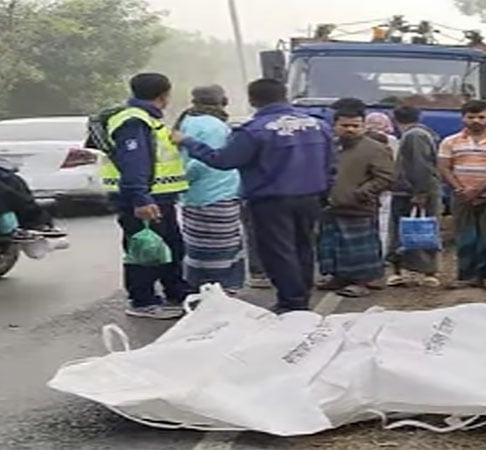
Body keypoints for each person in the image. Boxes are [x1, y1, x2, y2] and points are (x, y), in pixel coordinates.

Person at [176, 78, 333, 313]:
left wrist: (189, 142)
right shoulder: (317, 125)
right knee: (304, 248)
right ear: (285, 95)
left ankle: (291, 303)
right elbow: (331, 163)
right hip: (310, 197)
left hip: (271, 201)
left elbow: (223, 160)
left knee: (279, 252)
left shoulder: (254, 130)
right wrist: (325, 192)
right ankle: (302, 299)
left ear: (252, 100)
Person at [101, 73, 189, 319]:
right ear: (164, 95)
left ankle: (177, 292)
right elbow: (134, 163)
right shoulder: (134, 122)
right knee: (144, 249)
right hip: (143, 198)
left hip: (160, 198)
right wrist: (140, 198)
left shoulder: (147, 119)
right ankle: (142, 301)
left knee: (171, 246)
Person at [317, 100, 393, 297]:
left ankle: (362, 282)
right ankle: (339, 277)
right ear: (335, 126)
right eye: (345, 125)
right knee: (334, 245)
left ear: (363, 126)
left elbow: (386, 177)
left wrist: (363, 192)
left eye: (355, 126)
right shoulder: (329, 147)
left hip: (359, 207)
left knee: (359, 249)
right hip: (331, 206)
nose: (350, 129)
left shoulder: (375, 148)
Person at [439, 100, 486, 291]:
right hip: (461, 197)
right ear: (463, 118)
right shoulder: (450, 141)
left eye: (481, 117)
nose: (476, 121)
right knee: (466, 238)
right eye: (471, 117)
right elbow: (444, 168)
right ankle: (468, 276)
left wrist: (479, 190)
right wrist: (460, 190)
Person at [176, 85, 244, 294]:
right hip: (215, 194)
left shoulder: (187, 120)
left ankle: (201, 287)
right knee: (219, 247)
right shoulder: (213, 126)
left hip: (196, 195)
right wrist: (187, 179)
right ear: (221, 101)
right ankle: (218, 290)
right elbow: (204, 161)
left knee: (199, 245)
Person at [387, 105, 442, 287]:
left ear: (394, 119)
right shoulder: (421, 133)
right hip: (412, 189)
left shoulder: (414, 136)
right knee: (415, 227)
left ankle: (425, 271)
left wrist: (420, 191)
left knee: (417, 228)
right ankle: (413, 269)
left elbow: (420, 165)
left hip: (413, 190)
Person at [364, 111, 398, 260]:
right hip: (386, 187)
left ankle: (367, 254)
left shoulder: (362, 140)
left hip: (365, 186)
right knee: (383, 223)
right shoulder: (392, 140)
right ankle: (381, 255)